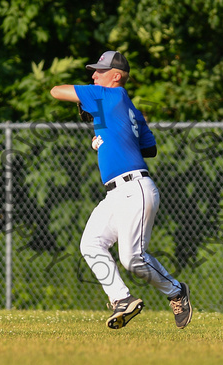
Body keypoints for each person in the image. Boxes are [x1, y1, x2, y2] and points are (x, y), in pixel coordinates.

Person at [50, 51, 192, 329]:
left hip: (135, 188)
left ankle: (176, 291)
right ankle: (121, 299)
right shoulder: (126, 107)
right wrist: (110, 133)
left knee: (132, 258)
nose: (93, 76)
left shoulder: (106, 95)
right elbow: (149, 148)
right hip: (117, 193)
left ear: (116, 76)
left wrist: (95, 107)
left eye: (99, 71)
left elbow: (56, 91)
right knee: (90, 244)